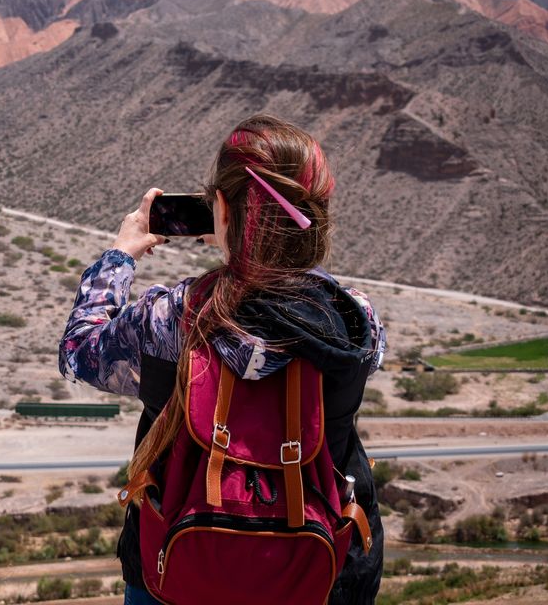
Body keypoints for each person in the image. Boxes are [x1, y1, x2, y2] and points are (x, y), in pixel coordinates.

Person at [59, 114, 386, 604]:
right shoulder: (357, 320)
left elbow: (79, 351)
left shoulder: (172, 317)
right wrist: (248, 241)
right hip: (324, 572)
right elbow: (289, 304)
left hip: (178, 567)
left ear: (225, 211)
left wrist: (120, 256)